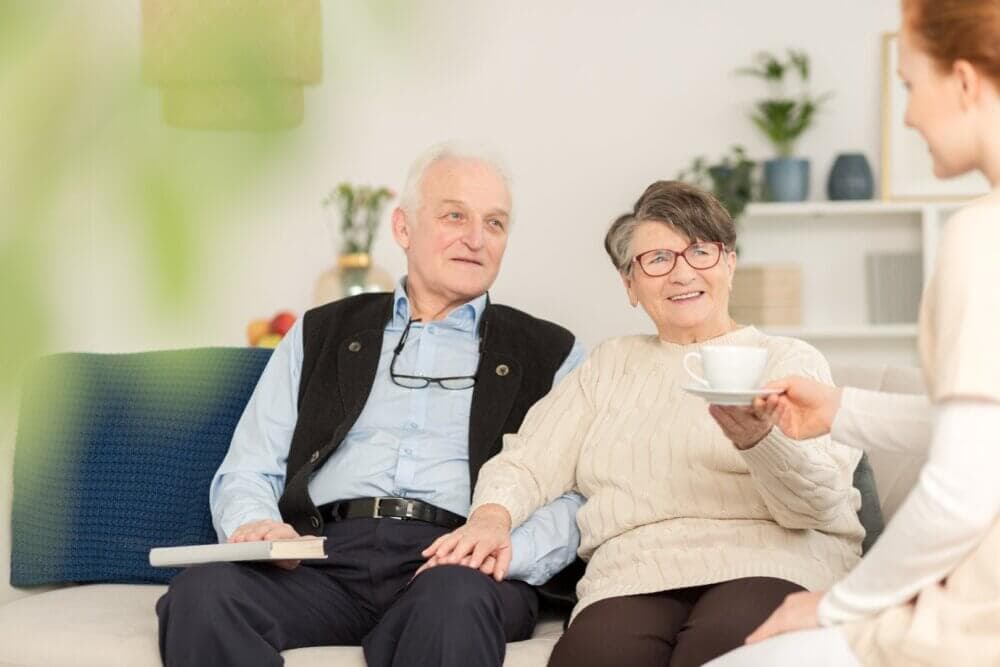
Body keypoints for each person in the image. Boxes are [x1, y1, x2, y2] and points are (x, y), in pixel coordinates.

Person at [155, 143, 587, 667]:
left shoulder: (552, 353)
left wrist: (508, 550)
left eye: (494, 223)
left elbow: (578, 496)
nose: (476, 238)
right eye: (455, 216)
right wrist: (259, 526)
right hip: (321, 557)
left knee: (453, 606)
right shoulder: (321, 331)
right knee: (202, 596)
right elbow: (249, 467)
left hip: (456, 563)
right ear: (403, 228)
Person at [420, 180, 866, 667]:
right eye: (657, 259)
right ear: (630, 285)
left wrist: (760, 440)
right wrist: (491, 519)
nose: (682, 273)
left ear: (729, 263)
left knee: (727, 650)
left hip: (771, 560)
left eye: (700, 251)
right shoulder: (609, 365)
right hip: (633, 573)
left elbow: (817, 504)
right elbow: (528, 460)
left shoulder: (789, 360)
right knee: (592, 658)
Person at [706, 2, 1000, 665]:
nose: (908, 116)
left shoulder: (981, 237)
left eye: (910, 86)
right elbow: (986, 429)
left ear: (962, 81)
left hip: (973, 623)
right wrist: (841, 410)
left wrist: (836, 602)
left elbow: (961, 489)